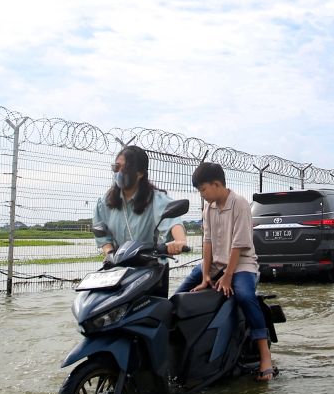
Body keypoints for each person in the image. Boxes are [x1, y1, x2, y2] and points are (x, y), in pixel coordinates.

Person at [174, 162, 276, 381]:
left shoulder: (239, 204)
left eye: (203, 190)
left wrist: (228, 276)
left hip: (242, 264)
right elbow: (208, 241)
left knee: (245, 296)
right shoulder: (208, 208)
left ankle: (264, 354)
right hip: (215, 264)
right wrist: (205, 276)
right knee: (178, 296)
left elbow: (239, 244)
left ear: (217, 184)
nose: (201, 195)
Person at [91, 145, 187, 295]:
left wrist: (179, 241)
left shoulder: (155, 199)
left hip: (150, 268)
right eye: (116, 167)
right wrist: (109, 252)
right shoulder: (105, 202)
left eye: (126, 168)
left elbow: (173, 220)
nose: (119, 173)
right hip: (117, 270)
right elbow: (102, 233)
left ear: (140, 173)